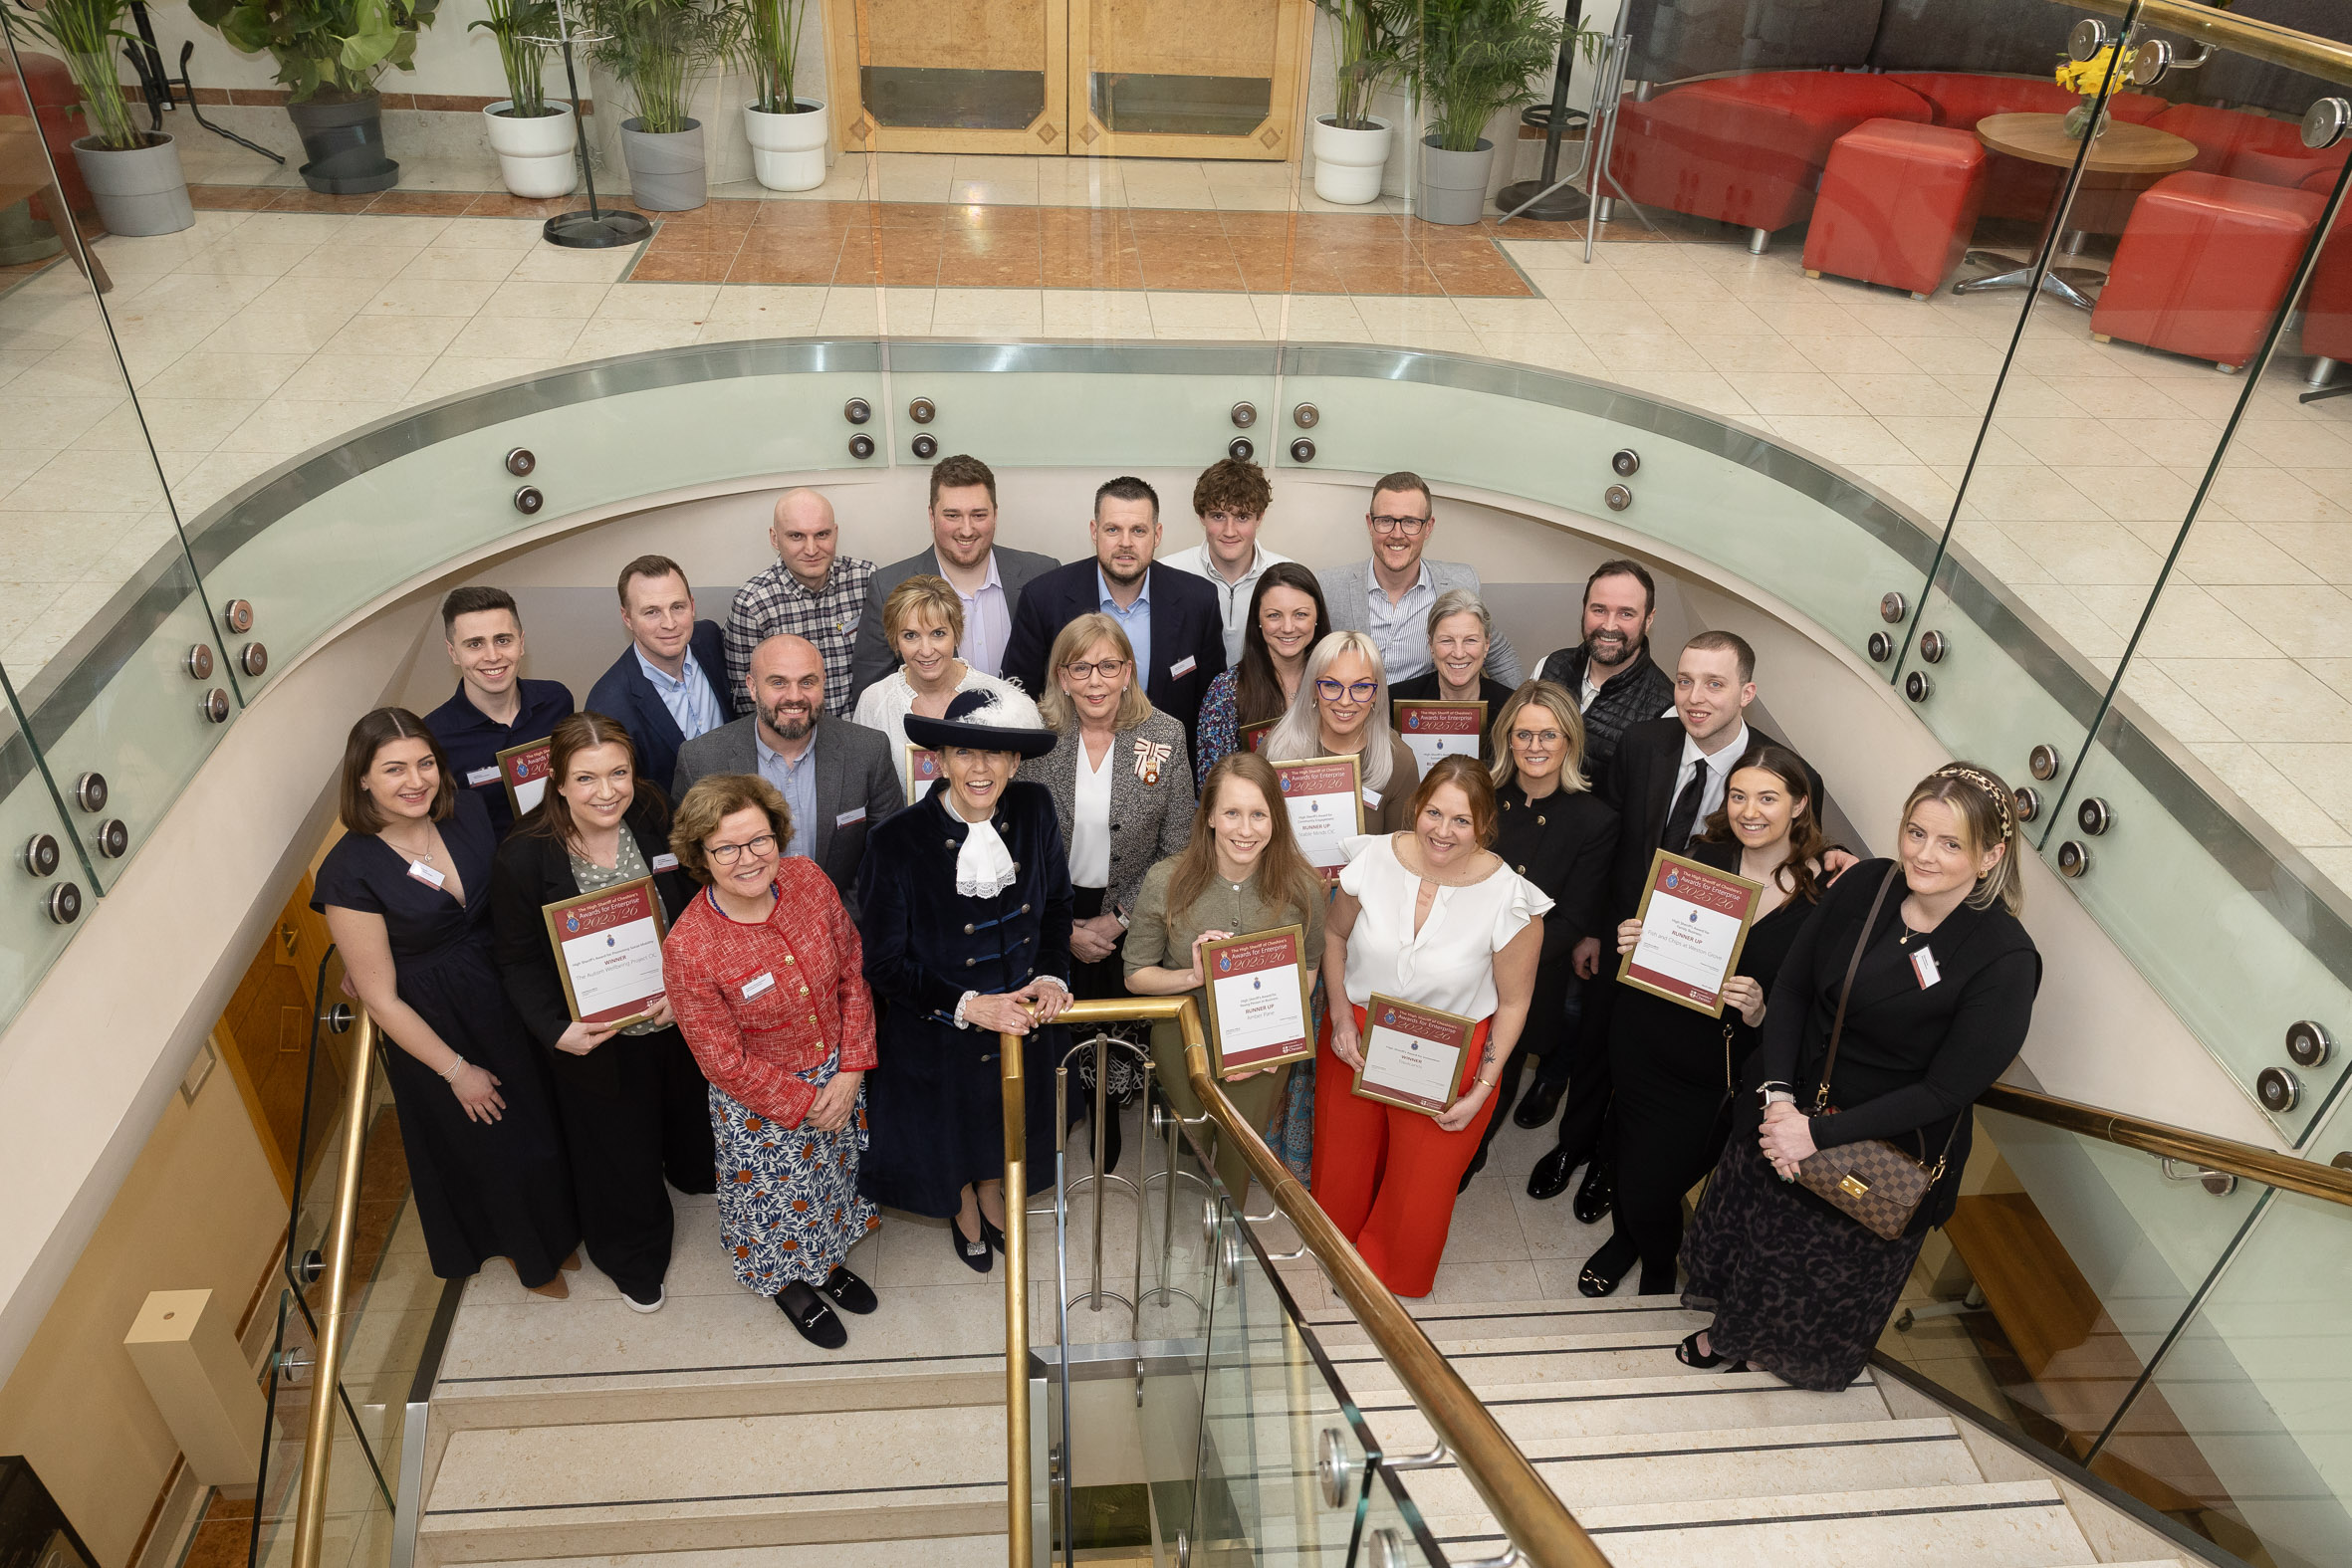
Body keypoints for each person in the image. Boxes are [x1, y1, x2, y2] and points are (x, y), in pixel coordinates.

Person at [1677, 765, 2039, 1389]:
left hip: (1874, 1144)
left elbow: (1946, 1091)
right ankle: (1730, 1329)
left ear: (1991, 856)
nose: (1925, 855)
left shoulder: (2003, 958)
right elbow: (1791, 988)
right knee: (1755, 1238)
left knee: (1810, 1271)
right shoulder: (1867, 883)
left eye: (1951, 844)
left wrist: (1813, 1137)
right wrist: (1782, 1102)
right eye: (1917, 833)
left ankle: (1760, 1347)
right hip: (1784, 1106)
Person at [1523, 630, 1843, 1220]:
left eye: (1715, 684)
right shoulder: (1646, 743)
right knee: (1597, 1047)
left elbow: (1802, 845)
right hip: (1627, 937)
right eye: (1685, 680)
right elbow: (1610, 840)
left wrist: (1838, 856)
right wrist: (1596, 928)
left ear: (1747, 692)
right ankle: (1575, 1147)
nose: (1696, 697)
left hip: (1712, 969)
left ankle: (1612, 1172)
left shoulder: (1787, 770)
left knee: (1659, 1083)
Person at [313, 710, 579, 1294]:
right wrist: (456, 1071)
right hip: (437, 1026)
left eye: (425, 763)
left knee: (541, 1121)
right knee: (490, 1142)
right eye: (394, 769)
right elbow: (380, 1000)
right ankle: (525, 1254)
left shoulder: (468, 817)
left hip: (507, 992)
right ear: (362, 778)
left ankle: (560, 1232)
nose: (415, 780)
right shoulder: (347, 872)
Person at [491, 713, 716, 1312]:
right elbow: (514, 961)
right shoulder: (523, 857)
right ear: (558, 783)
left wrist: (689, 985)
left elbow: (695, 898)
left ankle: (696, 1176)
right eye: (586, 778)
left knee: (686, 1114)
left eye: (618, 772)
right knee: (618, 1155)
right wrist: (556, 1030)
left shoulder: (652, 812)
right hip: (598, 1036)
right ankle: (633, 1258)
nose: (607, 791)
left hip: (673, 1016)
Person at [1584, 744, 1825, 1297]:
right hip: (1645, 1038)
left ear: (1799, 804)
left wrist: (1762, 1010)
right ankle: (1628, 1242)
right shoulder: (1701, 860)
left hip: (1715, 1069)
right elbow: (1658, 936)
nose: (1750, 810)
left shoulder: (1823, 897)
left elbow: (1816, 1006)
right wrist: (1633, 939)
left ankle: (1659, 1257)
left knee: (1658, 1181)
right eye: (1738, 795)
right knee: (1625, 1151)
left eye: (1768, 797)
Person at [856, 686, 1074, 1274]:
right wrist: (968, 1005)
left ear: (1015, 762)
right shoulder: (894, 842)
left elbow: (1056, 905)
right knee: (953, 1128)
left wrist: (1053, 974)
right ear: (940, 759)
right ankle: (962, 1203)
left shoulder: (1035, 808)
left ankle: (991, 1188)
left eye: (995, 755)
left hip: (1023, 1020)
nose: (980, 768)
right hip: (939, 1027)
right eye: (963, 753)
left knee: (1004, 1120)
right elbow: (882, 963)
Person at [1315, 757, 1551, 1296]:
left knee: (1420, 1188)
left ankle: (1385, 1276)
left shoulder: (1511, 900)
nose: (1443, 831)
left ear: (1485, 825)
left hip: (1449, 1057)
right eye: (1433, 813)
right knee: (1345, 1167)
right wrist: (1338, 1017)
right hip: (1356, 1037)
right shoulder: (1372, 859)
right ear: (1416, 808)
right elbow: (1333, 938)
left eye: (1462, 821)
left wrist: (1484, 1088)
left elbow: (1514, 1004)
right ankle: (1338, 1251)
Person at [664, 774, 882, 1350]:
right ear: (700, 856)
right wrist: (807, 1101)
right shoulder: (689, 948)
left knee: (833, 1184)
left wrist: (852, 1068)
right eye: (726, 848)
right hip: (759, 1103)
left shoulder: (808, 880)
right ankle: (789, 1285)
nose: (748, 859)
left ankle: (828, 1263)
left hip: (839, 1076)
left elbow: (851, 969)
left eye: (759, 840)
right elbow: (721, 1060)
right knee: (779, 1204)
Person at [1034, 613, 1197, 1174]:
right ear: (1063, 675)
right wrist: (1065, 928)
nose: (1096, 680)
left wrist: (1120, 919)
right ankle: (1061, 1116)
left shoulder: (1165, 737)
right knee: (1061, 1022)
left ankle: (1106, 1116)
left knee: (1114, 1025)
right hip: (1055, 907)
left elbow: (1178, 848)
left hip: (1132, 905)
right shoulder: (1037, 741)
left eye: (1109, 666)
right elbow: (1019, 846)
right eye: (1083, 668)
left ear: (1128, 672)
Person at [1125, 752, 1324, 1200]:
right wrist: (1190, 976)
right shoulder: (1166, 880)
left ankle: (1227, 1235)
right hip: (1185, 1042)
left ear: (1276, 819)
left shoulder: (1304, 888)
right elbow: (1135, 976)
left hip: (1262, 1052)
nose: (1245, 829)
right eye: (1232, 812)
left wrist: (1275, 1041)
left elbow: (1308, 969)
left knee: (1241, 1154)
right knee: (1190, 1144)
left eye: (1258, 814)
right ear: (1210, 815)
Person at [1461, 682, 1616, 1190]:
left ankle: (1471, 1152)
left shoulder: (1595, 820)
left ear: (1570, 741)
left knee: (1497, 1073)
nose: (1535, 746)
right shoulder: (1481, 792)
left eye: (1549, 734)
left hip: (1527, 976)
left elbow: (1572, 920)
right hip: (1456, 957)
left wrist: (1497, 960)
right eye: (1523, 734)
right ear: (1506, 738)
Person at [672, 634, 903, 920]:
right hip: (744, 934)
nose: (794, 696)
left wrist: (836, 918)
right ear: (752, 687)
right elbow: (690, 863)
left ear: (823, 684)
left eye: (807, 682)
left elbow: (888, 854)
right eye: (778, 682)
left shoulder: (868, 750)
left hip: (845, 926)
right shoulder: (702, 760)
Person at [1001, 476, 1228, 744]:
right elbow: (1018, 700)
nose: (1125, 543)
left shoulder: (1198, 600)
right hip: (1069, 769)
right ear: (1094, 532)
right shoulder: (1043, 598)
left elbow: (1213, 708)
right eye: (1113, 530)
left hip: (1164, 771)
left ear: (1157, 535)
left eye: (1138, 530)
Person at [847, 454, 1058, 698]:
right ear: (931, 516)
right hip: (929, 735)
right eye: (952, 515)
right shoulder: (888, 587)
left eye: (978, 515)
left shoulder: (1042, 573)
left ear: (995, 515)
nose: (966, 530)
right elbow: (872, 695)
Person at [1315, 471, 1524, 687]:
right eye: (1386, 520)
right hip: (1350, 714)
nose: (1397, 534)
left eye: (1410, 522)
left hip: (1420, 718)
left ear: (1428, 528)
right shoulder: (1329, 587)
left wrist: (1519, 711)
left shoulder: (1460, 583)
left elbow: (1497, 653)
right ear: (1370, 524)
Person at [423, 586, 575, 841]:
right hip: (494, 873)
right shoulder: (433, 737)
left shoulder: (557, 701)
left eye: (503, 640)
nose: (493, 656)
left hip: (568, 853)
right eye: (475, 644)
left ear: (521, 643)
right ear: (453, 653)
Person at [585, 555, 730, 800]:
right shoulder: (608, 706)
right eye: (652, 612)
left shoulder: (710, 640)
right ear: (627, 617)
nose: (670, 623)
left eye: (677, 607)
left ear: (692, 606)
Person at [724, 488, 875, 717]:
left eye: (822, 534)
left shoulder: (866, 580)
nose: (812, 549)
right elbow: (748, 703)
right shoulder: (753, 605)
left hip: (863, 732)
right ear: (774, 538)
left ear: (835, 532)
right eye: (796, 536)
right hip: (794, 742)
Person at [851, 575, 1028, 770]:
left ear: (957, 633)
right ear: (895, 640)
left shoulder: (999, 696)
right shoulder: (874, 701)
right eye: (911, 635)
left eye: (938, 634)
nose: (926, 650)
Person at [1533, 560, 1676, 798]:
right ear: (1584, 608)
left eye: (1626, 613)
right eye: (1599, 610)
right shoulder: (1548, 667)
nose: (1609, 626)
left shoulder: (1667, 710)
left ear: (1649, 619)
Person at [1262, 630, 1422, 835]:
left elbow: (1401, 853)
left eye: (1361, 687)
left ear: (1376, 693)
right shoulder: (1276, 747)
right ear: (1313, 689)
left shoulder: (1399, 761)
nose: (1345, 701)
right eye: (1331, 685)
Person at [1192, 562, 1328, 779]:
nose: (1288, 627)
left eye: (1300, 614)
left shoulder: (1337, 684)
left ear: (1317, 617)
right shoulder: (1226, 690)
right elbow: (1213, 784)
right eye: (1274, 615)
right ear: (1258, 620)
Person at [1160, 457, 1292, 669]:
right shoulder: (1168, 573)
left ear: (1259, 518)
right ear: (1201, 517)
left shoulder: (1286, 575)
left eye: (1242, 517)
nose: (1229, 531)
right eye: (1218, 516)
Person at [1388, 589, 1517, 761]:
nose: (1458, 653)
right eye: (1447, 640)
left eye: (1470, 640)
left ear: (1486, 645)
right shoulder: (1394, 702)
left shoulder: (1511, 708)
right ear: (1431, 645)